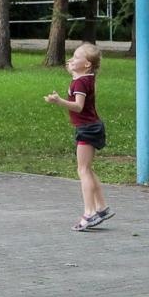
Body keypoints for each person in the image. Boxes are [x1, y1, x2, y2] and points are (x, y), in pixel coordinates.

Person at [44, 42, 112, 232]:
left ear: (87, 64)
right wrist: (74, 69)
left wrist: (58, 101)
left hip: (87, 128)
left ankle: (89, 213)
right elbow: (77, 78)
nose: (71, 60)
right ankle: (102, 207)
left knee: (82, 170)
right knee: (87, 169)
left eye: (75, 57)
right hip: (92, 126)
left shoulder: (80, 82)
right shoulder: (87, 78)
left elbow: (78, 106)